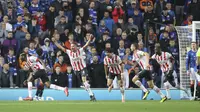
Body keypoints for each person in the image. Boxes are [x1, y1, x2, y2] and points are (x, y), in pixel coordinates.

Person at [52, 34, 96, 101]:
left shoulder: (80, 50)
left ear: (76, 47)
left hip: (82, 69)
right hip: (76, 71)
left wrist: (89, 40)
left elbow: (86, 45)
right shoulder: (69, 52)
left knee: (84, 81)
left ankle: (88, 85)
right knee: (84, 84)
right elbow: (61, 47)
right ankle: (91, 95)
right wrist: (55, 42)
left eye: (73, 46)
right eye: (71, 46)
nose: (72, 47)